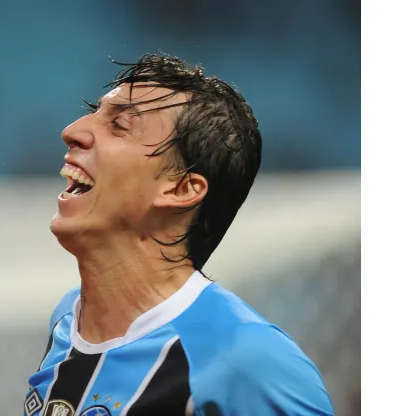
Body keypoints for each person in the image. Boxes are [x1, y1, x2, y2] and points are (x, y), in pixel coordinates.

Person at [22, 54, 333, 416]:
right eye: (94, 113)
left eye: (120, 124)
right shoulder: (67, 321)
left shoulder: (248, 360)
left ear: (181, 189)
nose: (72, 130)